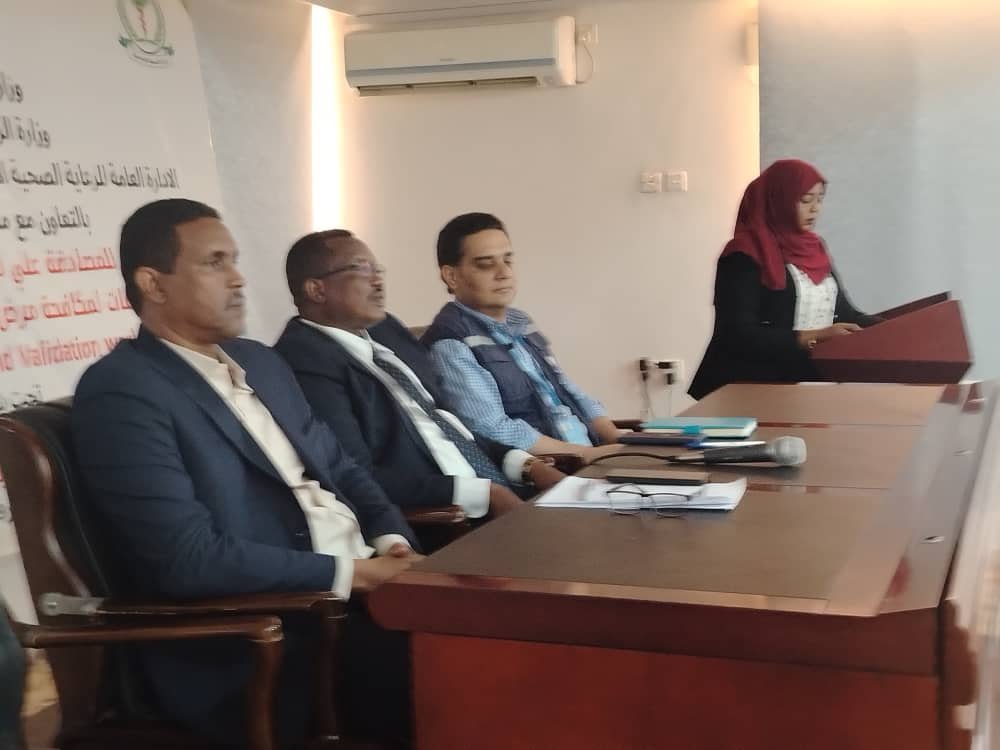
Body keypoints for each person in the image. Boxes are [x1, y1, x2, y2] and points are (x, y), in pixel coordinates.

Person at [71, 200, 420, 748]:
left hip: (361, 592)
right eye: (214, 263)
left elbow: (341, 468)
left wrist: (392, 539)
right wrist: (356, 575)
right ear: (153, 283)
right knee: (469, 672)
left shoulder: (260, 362)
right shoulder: (123, 391)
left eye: (234, 260)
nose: (238, 279)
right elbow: (187, 559)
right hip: (276, 634)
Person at [274, 229, 566, 529]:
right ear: (316, 290)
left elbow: (447, 422)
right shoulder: (302, 360)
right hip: (450, 520)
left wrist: (525, 464)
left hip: (499, 487)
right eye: (361, 269)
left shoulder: (385, 329)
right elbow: (355, 474)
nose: (378, 281)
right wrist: (485, 493)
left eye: (378, 270)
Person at [422, 212, 622, 460]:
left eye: (508, 260)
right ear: (452, 276)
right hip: (551, 470)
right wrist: (586, 454)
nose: (504, 273)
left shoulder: (521, 323)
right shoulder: (451, 343)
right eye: (486, 264)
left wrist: (619, 441)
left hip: (590, 456)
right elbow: (492, 428)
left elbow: (569, 391)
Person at [688, 159, 881, 399]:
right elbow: (737, 334)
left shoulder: (815, 248)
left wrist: (894, 329)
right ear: (778, 201)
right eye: (806, 200)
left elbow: (844, 313)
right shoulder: (743, 254)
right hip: (746, 385)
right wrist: (815, 336)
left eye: (819, 199)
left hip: (805, 380)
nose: (815, 209)